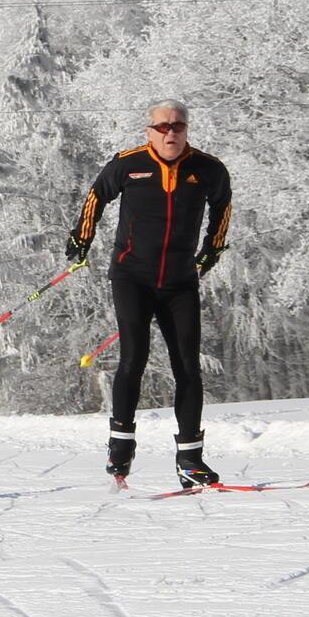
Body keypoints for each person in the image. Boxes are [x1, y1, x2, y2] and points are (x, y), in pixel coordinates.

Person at [66, 100, 233, 488]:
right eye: (162, 126)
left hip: (180, 281)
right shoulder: (128, 164)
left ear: (186, 129)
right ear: (149, 131)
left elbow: (223, 207)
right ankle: (120, 448)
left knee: (187, 366)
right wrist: (82, 236)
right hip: (132, 277)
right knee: (134, 358)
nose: (170, 132)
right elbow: (97, 195)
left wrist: (212, 249)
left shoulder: (208, 169)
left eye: (178, 126)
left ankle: (190, 459)